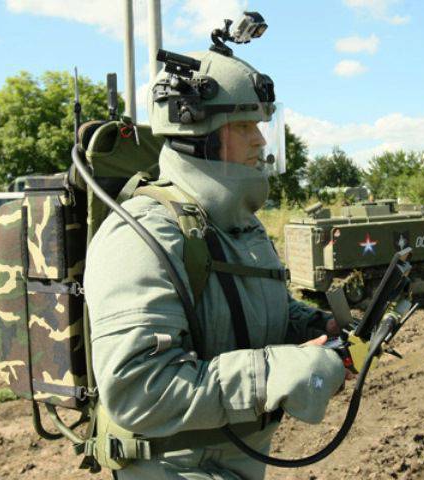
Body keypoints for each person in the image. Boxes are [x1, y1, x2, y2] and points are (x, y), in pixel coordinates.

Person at [84, 48, 347, 479]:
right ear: (199, 134)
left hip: (234, 462)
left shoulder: (237, 225)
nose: (261, 140)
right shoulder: (142, 233)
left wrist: (314, 327)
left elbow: (249, 304)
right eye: (244, 126)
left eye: (262, 125)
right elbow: (139, 389)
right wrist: (273, 373)